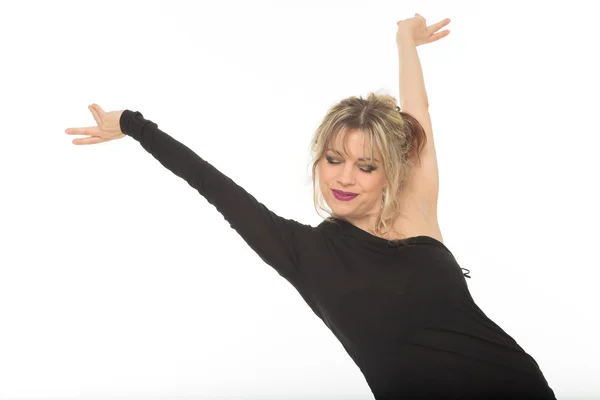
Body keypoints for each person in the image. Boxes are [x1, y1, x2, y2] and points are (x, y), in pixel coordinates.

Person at [65, 13, 556, 400]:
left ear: (392, 171)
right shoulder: (299, 251)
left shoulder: (416, 209)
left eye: (367, 166)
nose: (344, 177)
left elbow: (417, 112)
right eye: (334, 158)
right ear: (319, 159)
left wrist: (405, 40)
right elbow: (212, 184)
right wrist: (133, 124)